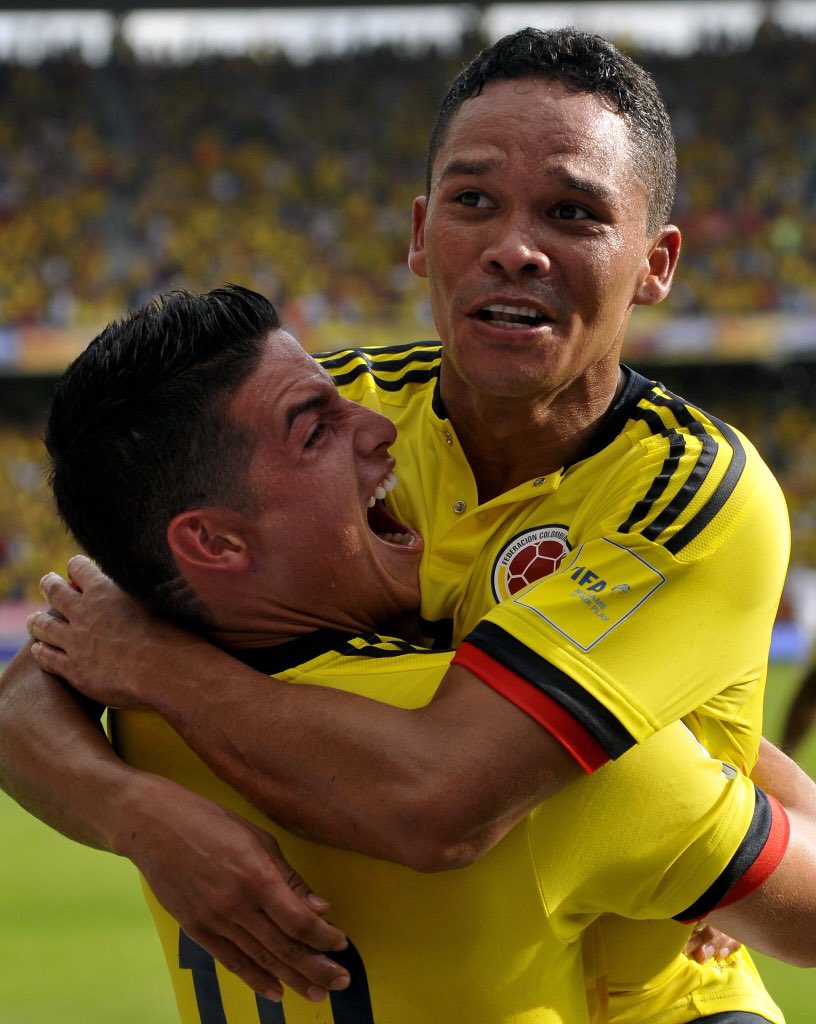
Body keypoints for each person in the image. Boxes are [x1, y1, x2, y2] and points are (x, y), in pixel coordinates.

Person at [0, 25, 794, 1024]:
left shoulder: (695, 496)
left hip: (669, 996)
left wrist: (155, 675)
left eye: (572, 211)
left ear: (655, 262)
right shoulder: (350, 409)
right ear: (422, 234)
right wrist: (140, 816)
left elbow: (445, 795)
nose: (513, 245)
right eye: (473, 202)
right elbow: (46, 667)